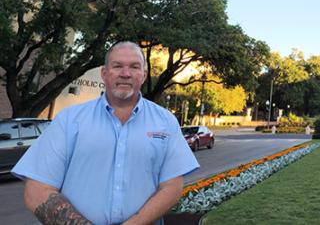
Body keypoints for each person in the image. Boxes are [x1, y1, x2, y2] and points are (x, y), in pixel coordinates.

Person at [12, 41, 199, 225]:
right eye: (117, 66)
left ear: (144, 75)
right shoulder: (69, 120)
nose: (125, 74)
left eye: (134, 66)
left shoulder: (166, 122)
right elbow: (36, 190)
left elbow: (172, 188)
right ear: (104, 73)